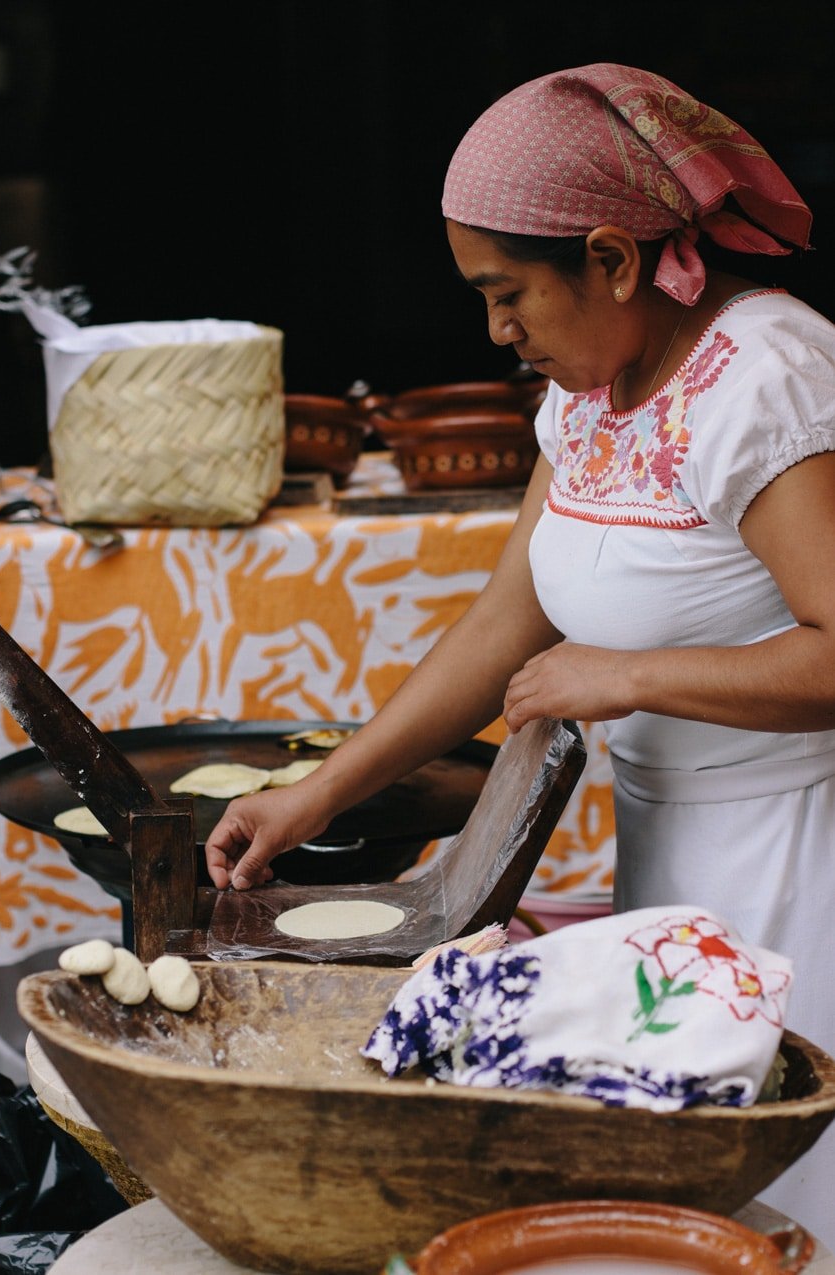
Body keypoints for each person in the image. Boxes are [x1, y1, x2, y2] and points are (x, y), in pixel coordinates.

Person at [206, 64, 835, 1246]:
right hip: (679, 854)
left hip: (803, 862)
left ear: (610, 258)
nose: (497, 332)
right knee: (677, 1192)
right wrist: (320, 790)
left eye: (507, 294)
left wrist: (629, 675)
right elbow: (509, 617)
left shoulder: (766, 377)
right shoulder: (587, 394)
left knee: (784, 1192)